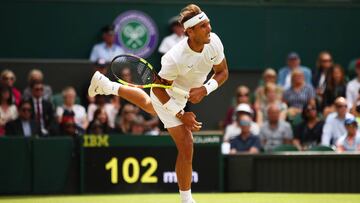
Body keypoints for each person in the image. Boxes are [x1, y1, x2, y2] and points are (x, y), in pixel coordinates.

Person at [88, 4, 228, 203]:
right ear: (190, 31)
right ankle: (186, 200)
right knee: (187, 143)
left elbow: (223, 72)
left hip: (184, 93)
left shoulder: (213, 42)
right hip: (166, 94)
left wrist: (205, 88)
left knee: (148, 105)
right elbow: (158, 90)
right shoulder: (174, 58)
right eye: (204, 26)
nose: (210, 29)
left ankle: (107, 85)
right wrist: (181, 114)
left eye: (209, 24)